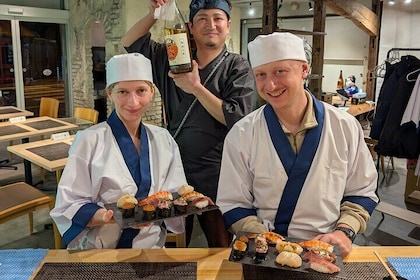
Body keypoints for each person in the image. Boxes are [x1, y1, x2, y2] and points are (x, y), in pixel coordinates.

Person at [216, 32, 379, 257]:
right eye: (261, 75)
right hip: (264, 251)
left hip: (325, 248)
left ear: (304, 70)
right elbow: (233, 202)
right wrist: (263, 237)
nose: (270, 85)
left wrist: (344, 231)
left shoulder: (344, 127)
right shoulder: (242, 134)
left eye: (280, 71)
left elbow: (361, 191)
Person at [121, 0, 256, 247]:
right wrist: (154, 14)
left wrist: (196, 88)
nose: (211, 25)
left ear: (228, 25)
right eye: (202, 19)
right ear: (191, 27)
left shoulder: (237, 66)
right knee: (172, 243)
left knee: (221, 244)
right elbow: (129, 42)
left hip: (218, 173)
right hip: (173, 169)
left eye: (217, 18)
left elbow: (238, 119)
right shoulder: (173, 57)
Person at [50, 53, 187, 249]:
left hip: (151, 248)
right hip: (101, 250)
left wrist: (184, 204)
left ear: (152, 92)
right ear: (109, 94)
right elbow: (69, 205)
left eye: (141, 90)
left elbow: (175, 194)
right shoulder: (89, 140)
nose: (133, 102)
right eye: (123, 92)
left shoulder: (163, 139)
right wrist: (108, 217)